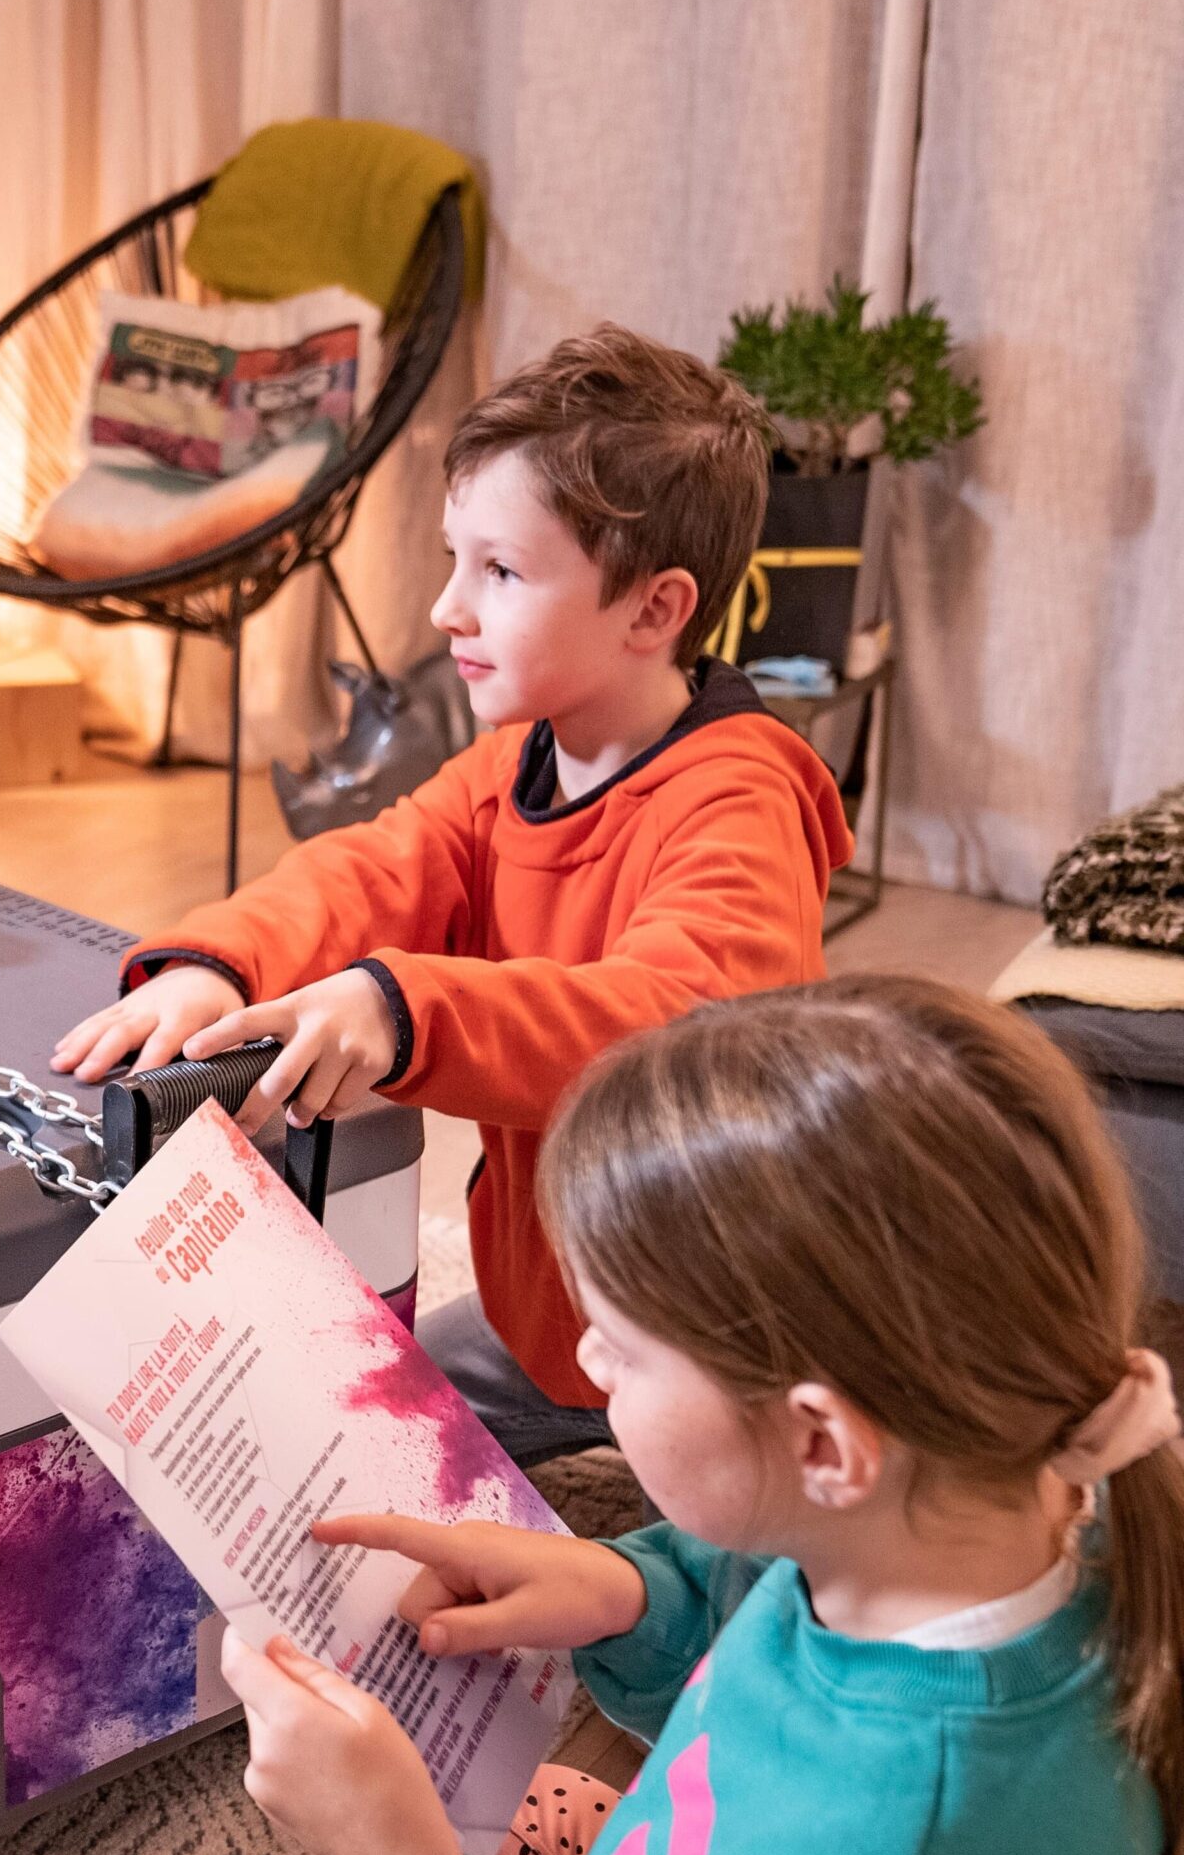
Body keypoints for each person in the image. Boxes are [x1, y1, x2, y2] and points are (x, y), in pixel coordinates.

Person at [6, 976, 1184, 1855]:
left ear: (824, 1445)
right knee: (545, 1813)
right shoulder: (1056, 1497)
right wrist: (629, 1592)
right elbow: (793, 1600)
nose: (582, 1368)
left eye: (617, 1351)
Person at [54, 326, 853, 1466]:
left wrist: (402, 1006)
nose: (446, 609)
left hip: (723, 1361)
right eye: (453, 560)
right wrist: (217, 962)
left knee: (676, 1614)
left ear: (652, 611)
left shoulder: (738, 795)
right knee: (333, 1437)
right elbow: (373, 869)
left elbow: (678, 1024)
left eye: (501, 572)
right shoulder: (517, 759)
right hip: (557, 1329)